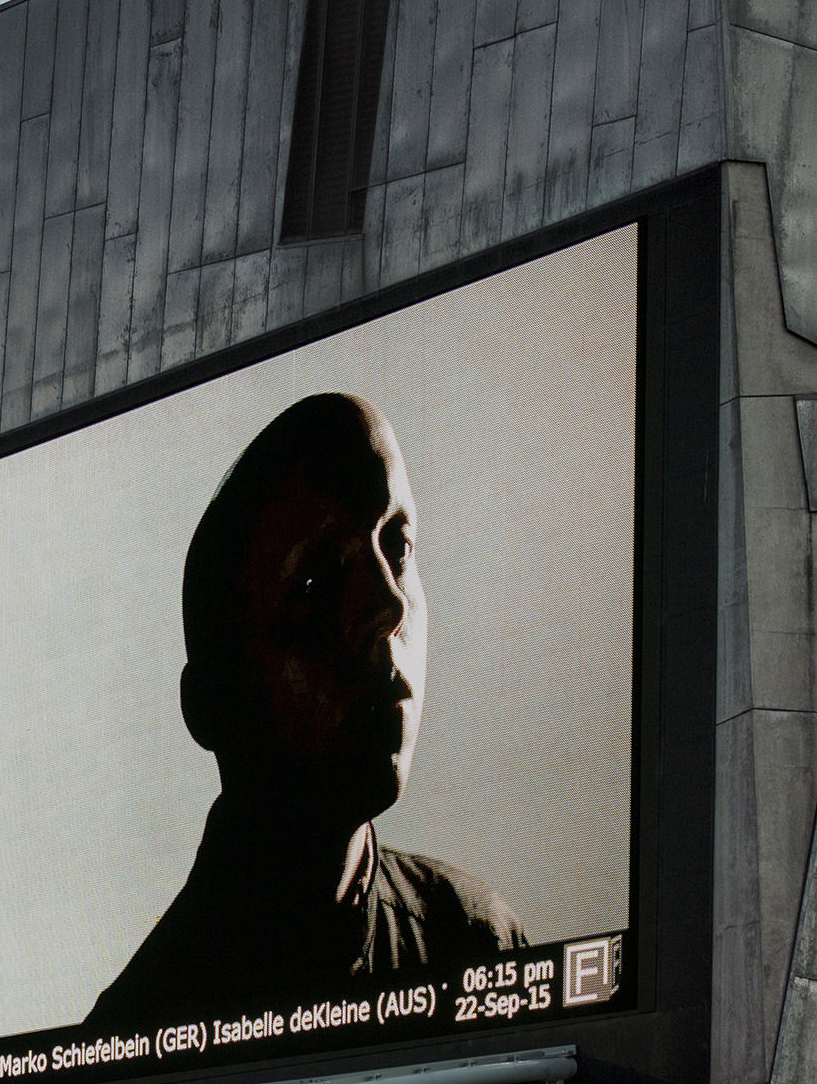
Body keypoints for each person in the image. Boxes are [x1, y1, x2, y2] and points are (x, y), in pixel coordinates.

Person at [87, 393, 525, 1029]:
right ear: (213, 705)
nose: (390, 605)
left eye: (397, 545)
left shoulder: (482, 945)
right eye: (317, 584)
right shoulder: (134, 1035)